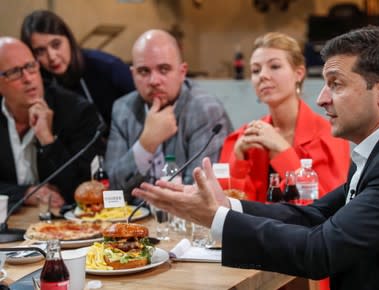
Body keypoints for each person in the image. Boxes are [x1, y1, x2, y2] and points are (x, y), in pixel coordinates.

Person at [132, 26, 379, 290]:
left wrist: (215, 219)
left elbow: (320, 249)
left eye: (335, 84)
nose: (322, 99)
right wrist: (226, 206)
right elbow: (313, 216)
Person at [219, 32, 350, 202]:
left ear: (299, 73)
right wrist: (238, 159)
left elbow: (329, 207)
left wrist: (283, 151)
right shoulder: (245, 138)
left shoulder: (329, 136)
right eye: (255, 70)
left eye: (274, 66)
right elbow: (227, 208)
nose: (263, 76)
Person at [105, 29, 232, 201]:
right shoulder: (123, 109)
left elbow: (200, 192)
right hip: (135, 221)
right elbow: (113, 191)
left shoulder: (205, 110)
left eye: (164, 69)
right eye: (143, 71)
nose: (154, 81)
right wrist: (145, 145)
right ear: (132, 74)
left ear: (182, 72)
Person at [0, 37, 102, 209]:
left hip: (65, 226)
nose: (27, 78)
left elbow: (84, 190)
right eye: (15, 72)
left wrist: (48, 140)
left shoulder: (77, 112)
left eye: (31, 66)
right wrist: (25, 193)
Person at [20, 10, 135, 134]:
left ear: (69, 39)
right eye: (40, 51)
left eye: (56, 44)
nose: (52, 57)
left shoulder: (108, 66)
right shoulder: (39, 83)